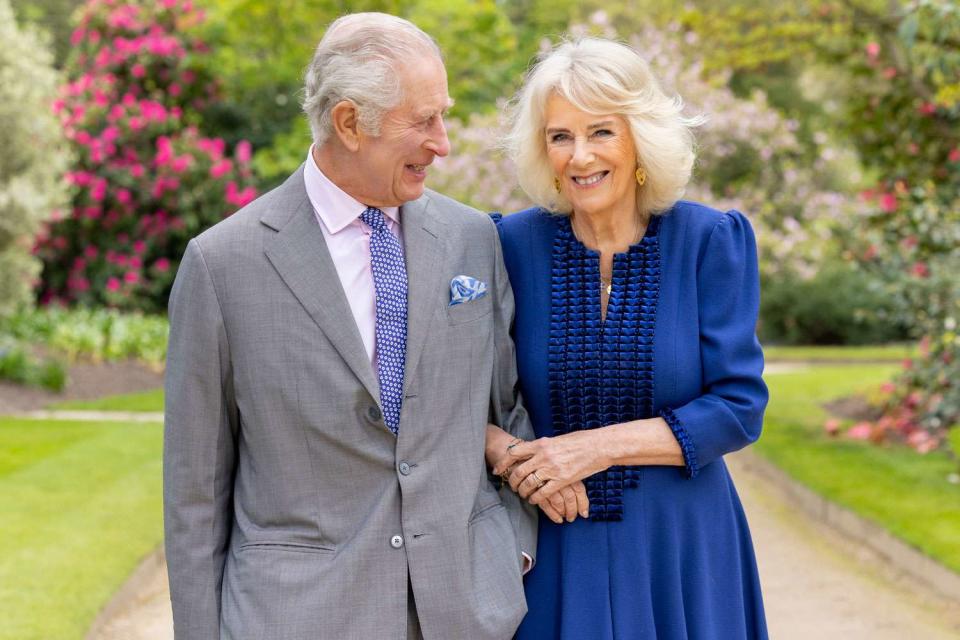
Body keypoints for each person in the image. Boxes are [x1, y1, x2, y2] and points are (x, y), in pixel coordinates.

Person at [163, 13, 540, 639]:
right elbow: (194, 495)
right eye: (423, 120)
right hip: (296, 618)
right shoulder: (221, 265)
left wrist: (508, 551)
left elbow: (509, 405)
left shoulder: (473, 239)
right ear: (349, 123)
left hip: (462, 611)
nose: (443, 142)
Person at [489, 37, 770, 638]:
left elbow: (739, 408)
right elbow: (450, 393)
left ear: (641, 137)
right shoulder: (506, 247)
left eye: (601, 132)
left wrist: (594, 448)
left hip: (684, 551)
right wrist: (509, 456)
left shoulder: (710, 240)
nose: (579, 156)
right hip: (553, 548)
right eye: (559, 136)